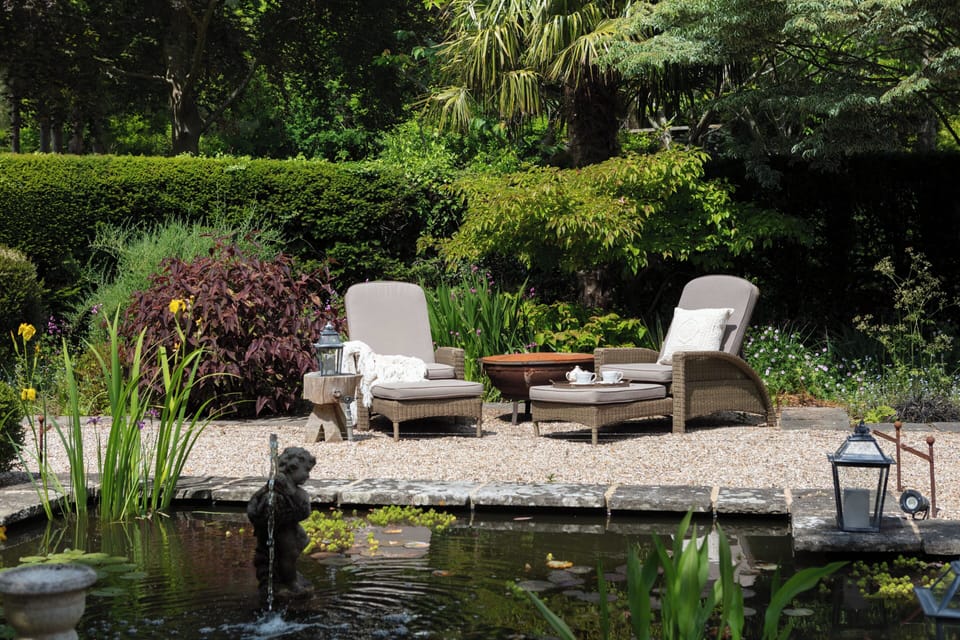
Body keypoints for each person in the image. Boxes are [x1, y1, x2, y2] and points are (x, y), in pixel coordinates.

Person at [246, 446, 317, 600]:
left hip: (289, 528)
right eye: (306, 470)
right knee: (287, 555)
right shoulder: (275, 488)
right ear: (293, 467)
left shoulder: (292, 489)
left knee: (291, 553)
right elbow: (255, 505)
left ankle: (287, 576)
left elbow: (304, 511)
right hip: (282, 532)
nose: (308, 476)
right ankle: (290, 582)